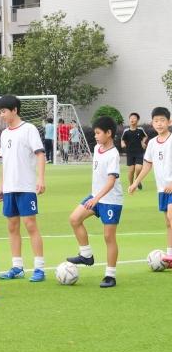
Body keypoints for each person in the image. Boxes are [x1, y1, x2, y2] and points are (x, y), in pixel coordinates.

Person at [66, 116, 123, 288]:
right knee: (74, 219)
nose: (95, 136)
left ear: (109, 133)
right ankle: (86, 255)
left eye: (98, 133)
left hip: (111, 201)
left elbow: (111, 182)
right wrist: (95, 197)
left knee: (109, 237)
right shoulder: (98, 148)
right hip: (95, 196)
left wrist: (96, 199)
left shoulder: (113, 155)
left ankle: (110, 276)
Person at [0, 95, 46, 282]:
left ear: (14, 110)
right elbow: (5, 163)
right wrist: (1, 186)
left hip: (26, 186)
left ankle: (39, 268)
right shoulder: (4, 134)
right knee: (12, 226)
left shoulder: (29, 129)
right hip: (9, 188)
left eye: (3, 111)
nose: (1, 115)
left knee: (30, 225)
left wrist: (40, 179)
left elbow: (40, 155)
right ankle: (17, 267)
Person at [129, 107, 172, 266]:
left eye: (162, 120)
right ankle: (170, 255)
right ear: (152, 123)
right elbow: (147, 165)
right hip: (162, 189)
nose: (159, 124)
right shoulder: (152, 143)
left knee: (171, 216)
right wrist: (135, 182)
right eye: (156, 121)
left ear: (169, 122)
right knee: (168, 222)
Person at [121, 112, 148, 190]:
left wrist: (143, 142)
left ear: (137, 120)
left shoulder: (140, 130)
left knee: (139, 168)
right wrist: (123, 143)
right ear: (129, 120)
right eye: (131, 118)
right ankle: (131, 185)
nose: (132, 119)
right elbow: (122, 139)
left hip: (139, 152)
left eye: (134, 118)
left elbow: (145, 136)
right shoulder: (126, 131)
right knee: (131, 170)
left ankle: (137, 180)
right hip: (130, 153)